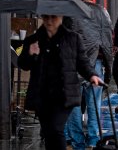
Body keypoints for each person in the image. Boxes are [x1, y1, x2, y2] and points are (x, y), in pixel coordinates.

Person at [18, 14, 102, 150]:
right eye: (45, 17)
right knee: (48, 132)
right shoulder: (33, 40)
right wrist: (31, 54)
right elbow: (23, 64)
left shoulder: (73, 38)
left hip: (64, 94)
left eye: (53, 17)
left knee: (56, 129)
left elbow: (82, 62)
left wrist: (92, 75)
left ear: (61, 18)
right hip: (42, 94)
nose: (49, 21)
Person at [64, 0, 113, 149]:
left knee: (74, 106)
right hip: (95, 66)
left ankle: (77, 142)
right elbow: (107, 37)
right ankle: (93, 140)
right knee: (94, 105)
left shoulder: (70, 13)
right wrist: (109, 65)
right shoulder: (102, 12)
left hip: (74, 66)